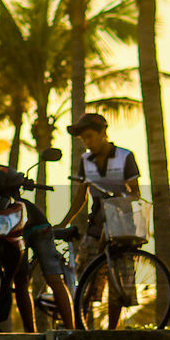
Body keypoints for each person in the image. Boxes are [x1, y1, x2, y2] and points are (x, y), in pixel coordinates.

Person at [0, 136, 74, 332]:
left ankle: (71, 331)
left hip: (32, 225)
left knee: (45, 277)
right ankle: (32, 334)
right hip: (14, 227)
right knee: (23, 280)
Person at [58, 112, 141, 327]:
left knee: (119, 283)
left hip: (122, 226)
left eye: (90, 137)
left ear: (103, 133)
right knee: (84, 278)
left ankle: (112, 331)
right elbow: (80, 197)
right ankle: (81, 327)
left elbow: (135, 193)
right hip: (95, 226)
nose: (87, 143)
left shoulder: (125, 156)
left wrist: (117, 202)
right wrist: (64, 221)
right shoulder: (86, 161)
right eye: (83, 139)